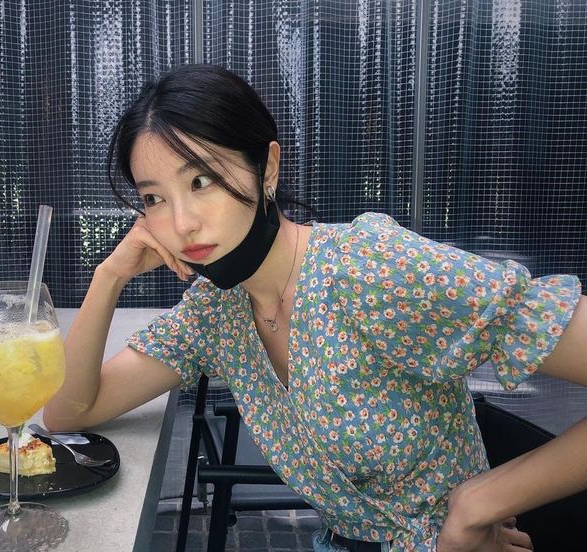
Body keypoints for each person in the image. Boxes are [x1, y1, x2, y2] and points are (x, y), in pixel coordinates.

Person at [43, 64, 587, 552]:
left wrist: (480, 502)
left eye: (202, 180)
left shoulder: (367, 267)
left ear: (267, 169)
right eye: (154, 198)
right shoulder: (214, 312)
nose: (181, 224)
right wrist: (108, 276)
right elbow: (70, 413)